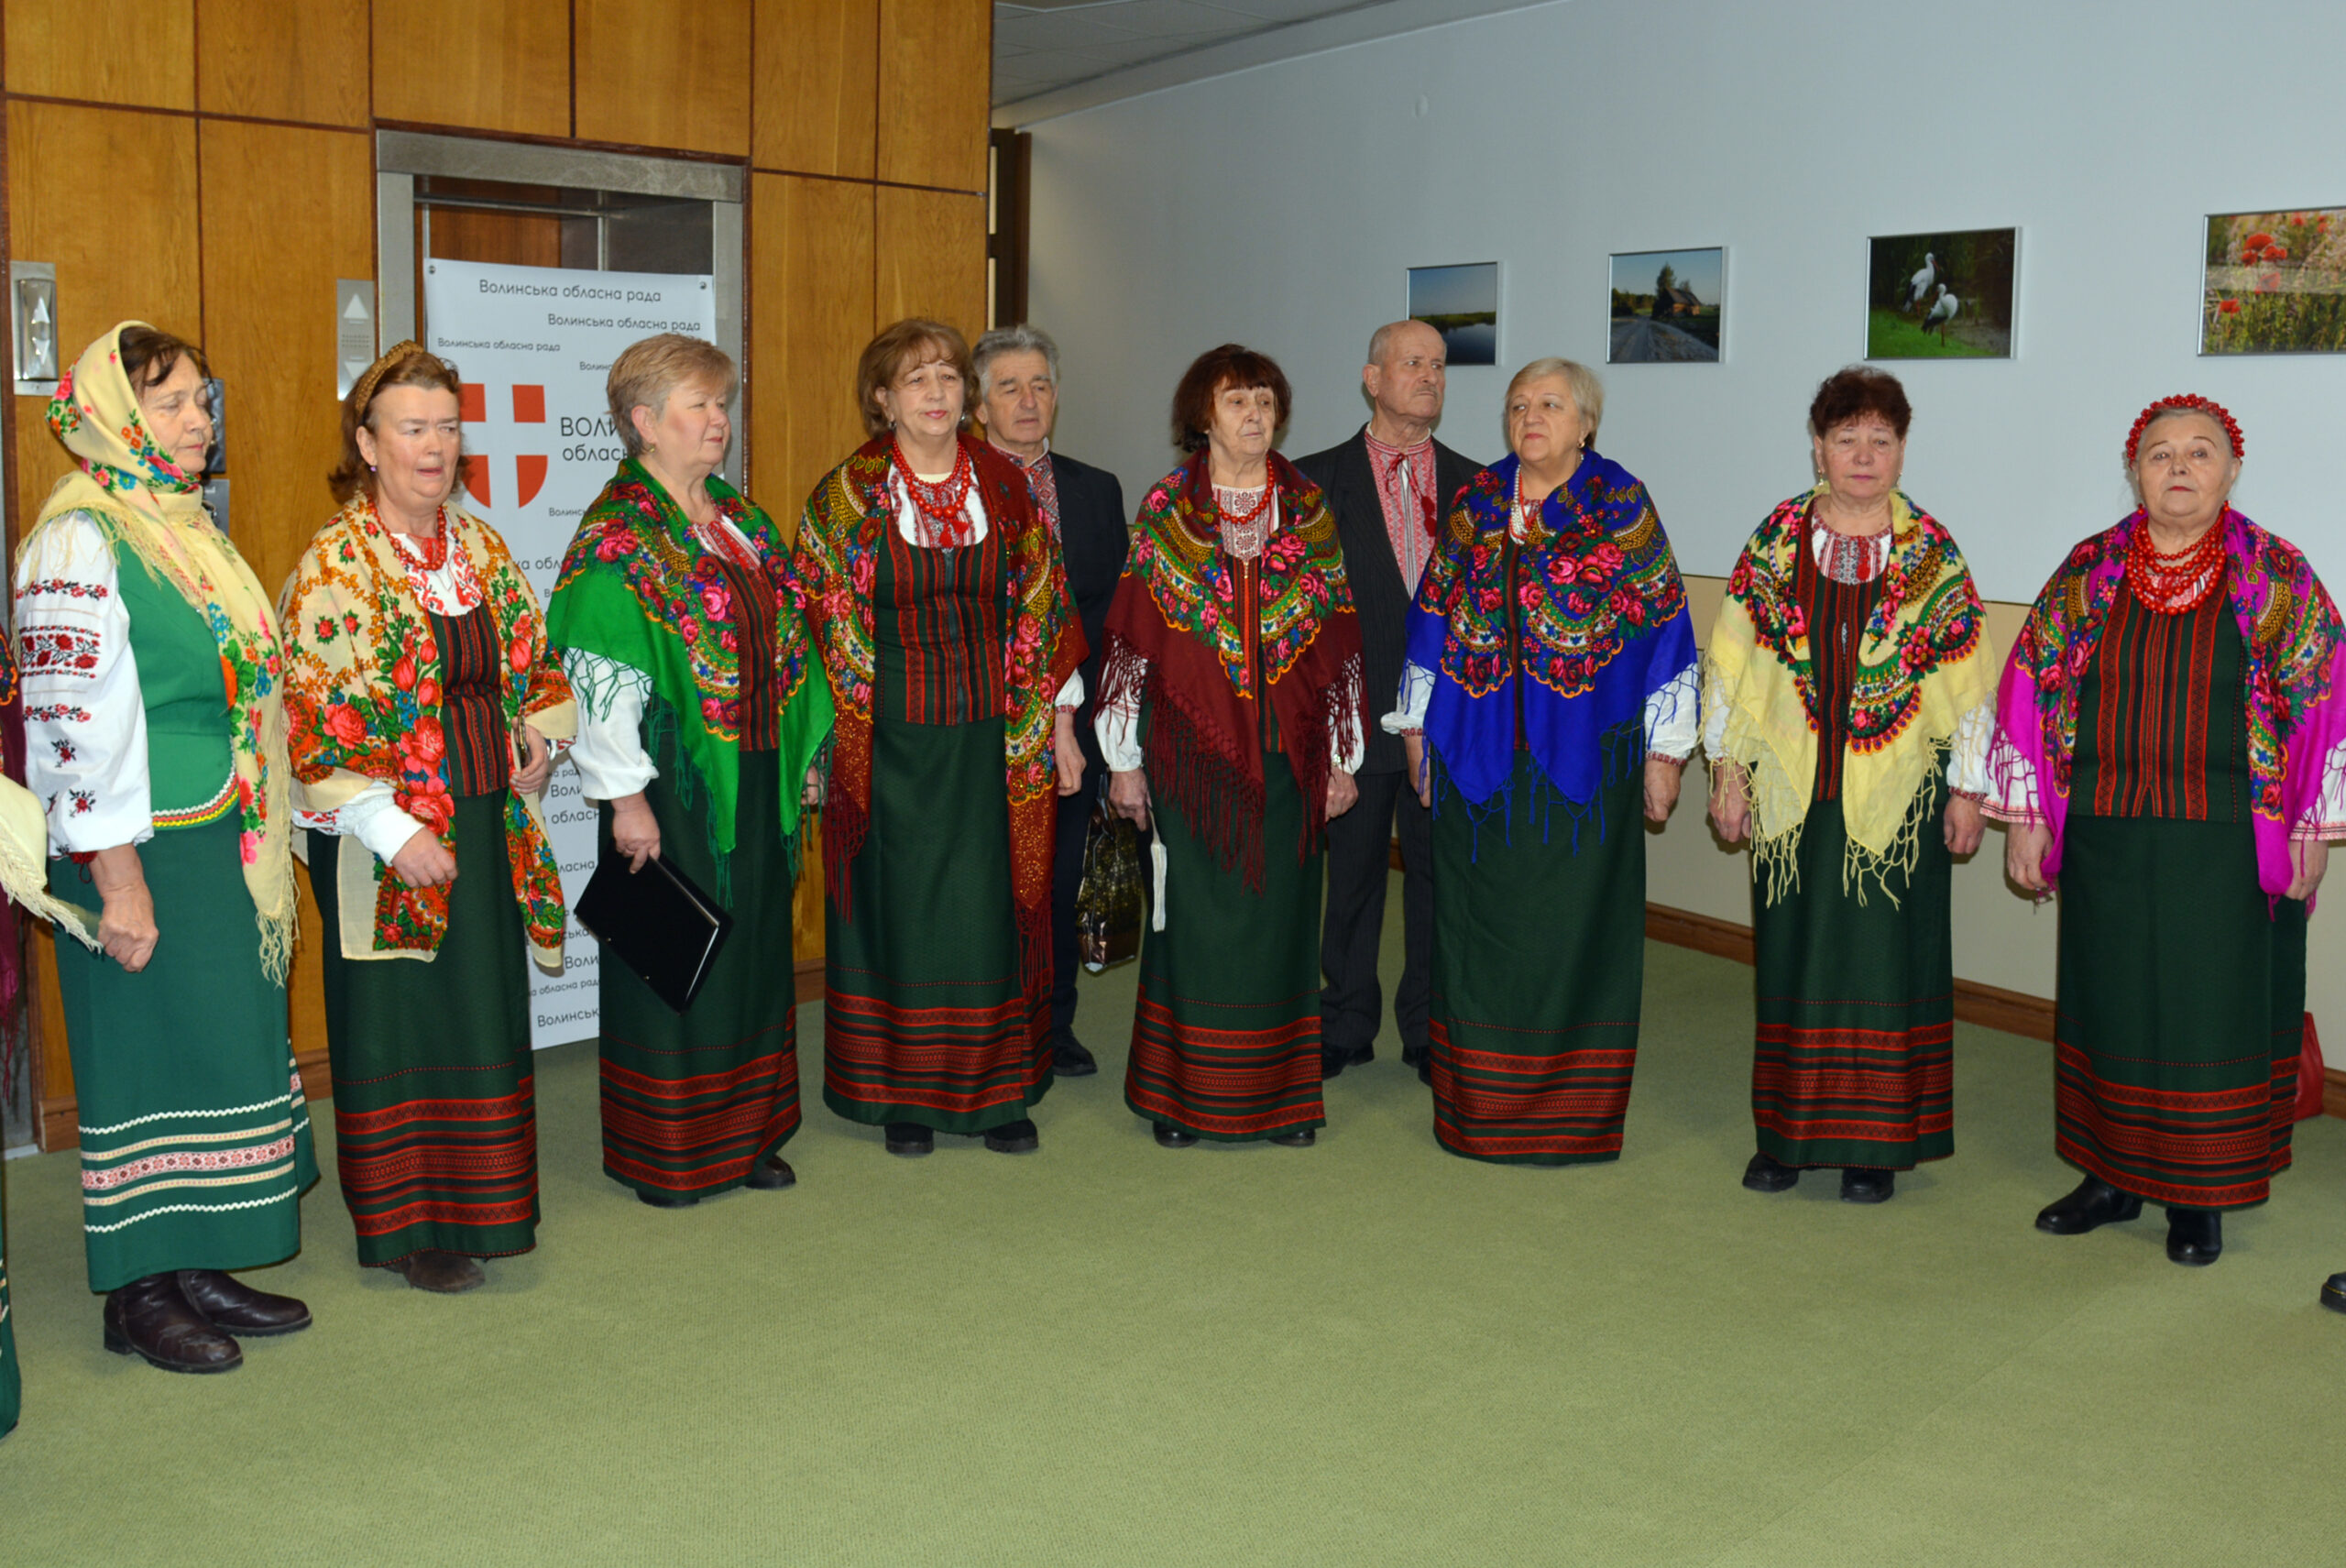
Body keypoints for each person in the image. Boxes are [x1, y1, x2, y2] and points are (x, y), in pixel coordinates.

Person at [16, 323, 313, 1373]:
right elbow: (66, 715)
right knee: (144, 1059)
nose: (199, 422)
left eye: (202, 399)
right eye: (173, 404)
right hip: (136, 843)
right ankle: (139, 1290)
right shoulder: (80, 536)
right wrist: (115, 875)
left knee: (216, 1047)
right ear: (111, 416)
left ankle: (201, 1263)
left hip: (219, 830)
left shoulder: (178, 525)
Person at [1990, 393, 2345, 1266]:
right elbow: (2029, 687)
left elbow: (2325, 705)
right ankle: (2110, 1178)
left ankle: (2200, 1196)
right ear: (2134, 470)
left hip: (2228, 837)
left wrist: (2312, 826)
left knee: (2205, 1015)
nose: (2179, 466)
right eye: (2159, 453)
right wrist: (2026, 816)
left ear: (2231, 470)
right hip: (2108, 827)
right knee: (2108, 1002)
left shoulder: (2278, 575)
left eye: (2200, 452)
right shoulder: (2090, 570)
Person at [278, 343, 576, 1289]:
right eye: (413, 428)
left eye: (448, 426)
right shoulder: (335, 562)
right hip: (388, 839)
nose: (435, 445)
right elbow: (311, 717)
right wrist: (392, 830)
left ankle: (487, 1204)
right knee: (401, 1020)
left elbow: (534, 666)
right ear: (367, 443)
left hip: (486, 824)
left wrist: (540, 737)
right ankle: (411, 1228)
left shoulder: (480, 547)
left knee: (480, 1013)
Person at [1386, 357, 1695, 1164]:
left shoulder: (1620, 504)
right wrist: (1415, 728)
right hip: (1474, 763)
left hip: (1583, 772)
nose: (1532, 415)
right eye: (1520, 403)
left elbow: (1665, 627)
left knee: (1572, 933)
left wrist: (1666, 751)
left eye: (1551, 404)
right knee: (1474, 930)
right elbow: (1431, 618)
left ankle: (1571, 1117)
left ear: (1586, 423)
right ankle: (1475, 1111)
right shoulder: (1477, 502)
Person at [549, 334, 831, 1206]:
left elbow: (790, 638)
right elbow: (602, 682)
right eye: (700, 406)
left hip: (752, 772)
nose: (720, 421)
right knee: (674, 961)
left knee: (748, 957)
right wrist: (627, 799)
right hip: (668, 780)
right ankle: (669, 1149)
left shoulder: (741, 520)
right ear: (643, 422)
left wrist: (802, 756)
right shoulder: (617, 539)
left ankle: (749, 1135)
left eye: (722, 404)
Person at [794, 319, 1086, 1157]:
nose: (936, 394)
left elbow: (1042, 606)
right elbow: (812, 624)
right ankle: (903, 1094)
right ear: (882, 399)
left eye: (949, 379)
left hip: (993, 740)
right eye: (915, 380)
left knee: (988, 909)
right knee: (900, 912)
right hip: (881, 742)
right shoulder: (844, 495)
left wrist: (1059, 725)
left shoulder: (1002, 486)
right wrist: (822, 751)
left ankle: (998, 1094)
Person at [1705, 367, 1994, 1204]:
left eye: (1881, 439)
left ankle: (1878, 1145)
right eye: (1846, 439)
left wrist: (1969, 790)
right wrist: (1727, 772)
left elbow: (1966, 685)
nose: (1863, 456)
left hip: (1899, 796)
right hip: (1792, 793)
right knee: (1792, 960)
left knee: (1885, 966)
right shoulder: (1773, 543)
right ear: (1818, 447)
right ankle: (1786, 1140)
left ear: (1902, 449)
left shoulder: (1933, 553)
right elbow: (1732, 666)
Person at [1099, 344, 1366, 1148]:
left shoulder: (1310, 508)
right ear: (1202, 417)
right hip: (1190, 759)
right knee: (1192, 923)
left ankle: (1281, 1102)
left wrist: (1344, 758)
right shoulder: (1166, 510)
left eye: (1263, 400)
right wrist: (1123, 756)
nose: (1254, 415)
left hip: (1292, 756)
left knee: (1285, 922)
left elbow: (1339, 640)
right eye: (1236, 401)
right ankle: (1182, 1099)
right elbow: (1131, 645)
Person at [1297, 321, 1480, 1082]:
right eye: (1413, 363)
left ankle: (1429, 1025)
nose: (1430, 376)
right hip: (1356, 713)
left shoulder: (1480, 485)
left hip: (1450, 722)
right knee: (1355, 874)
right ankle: (1344, 1021)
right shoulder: (1311, 482)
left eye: (1438, 365)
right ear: (1372, 379)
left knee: (1442, 876)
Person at [971, 323, 1129, 1079]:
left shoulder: (1096, 489)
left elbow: (1118, 617)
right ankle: (991, 1026)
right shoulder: (957, 486)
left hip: (1081, 726)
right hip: (977, 725)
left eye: (1039, 386)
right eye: (1009, 387)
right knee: (989, 880)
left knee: (1062, 877)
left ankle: (1052, 1023)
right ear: (979, 403)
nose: (1028, 401)